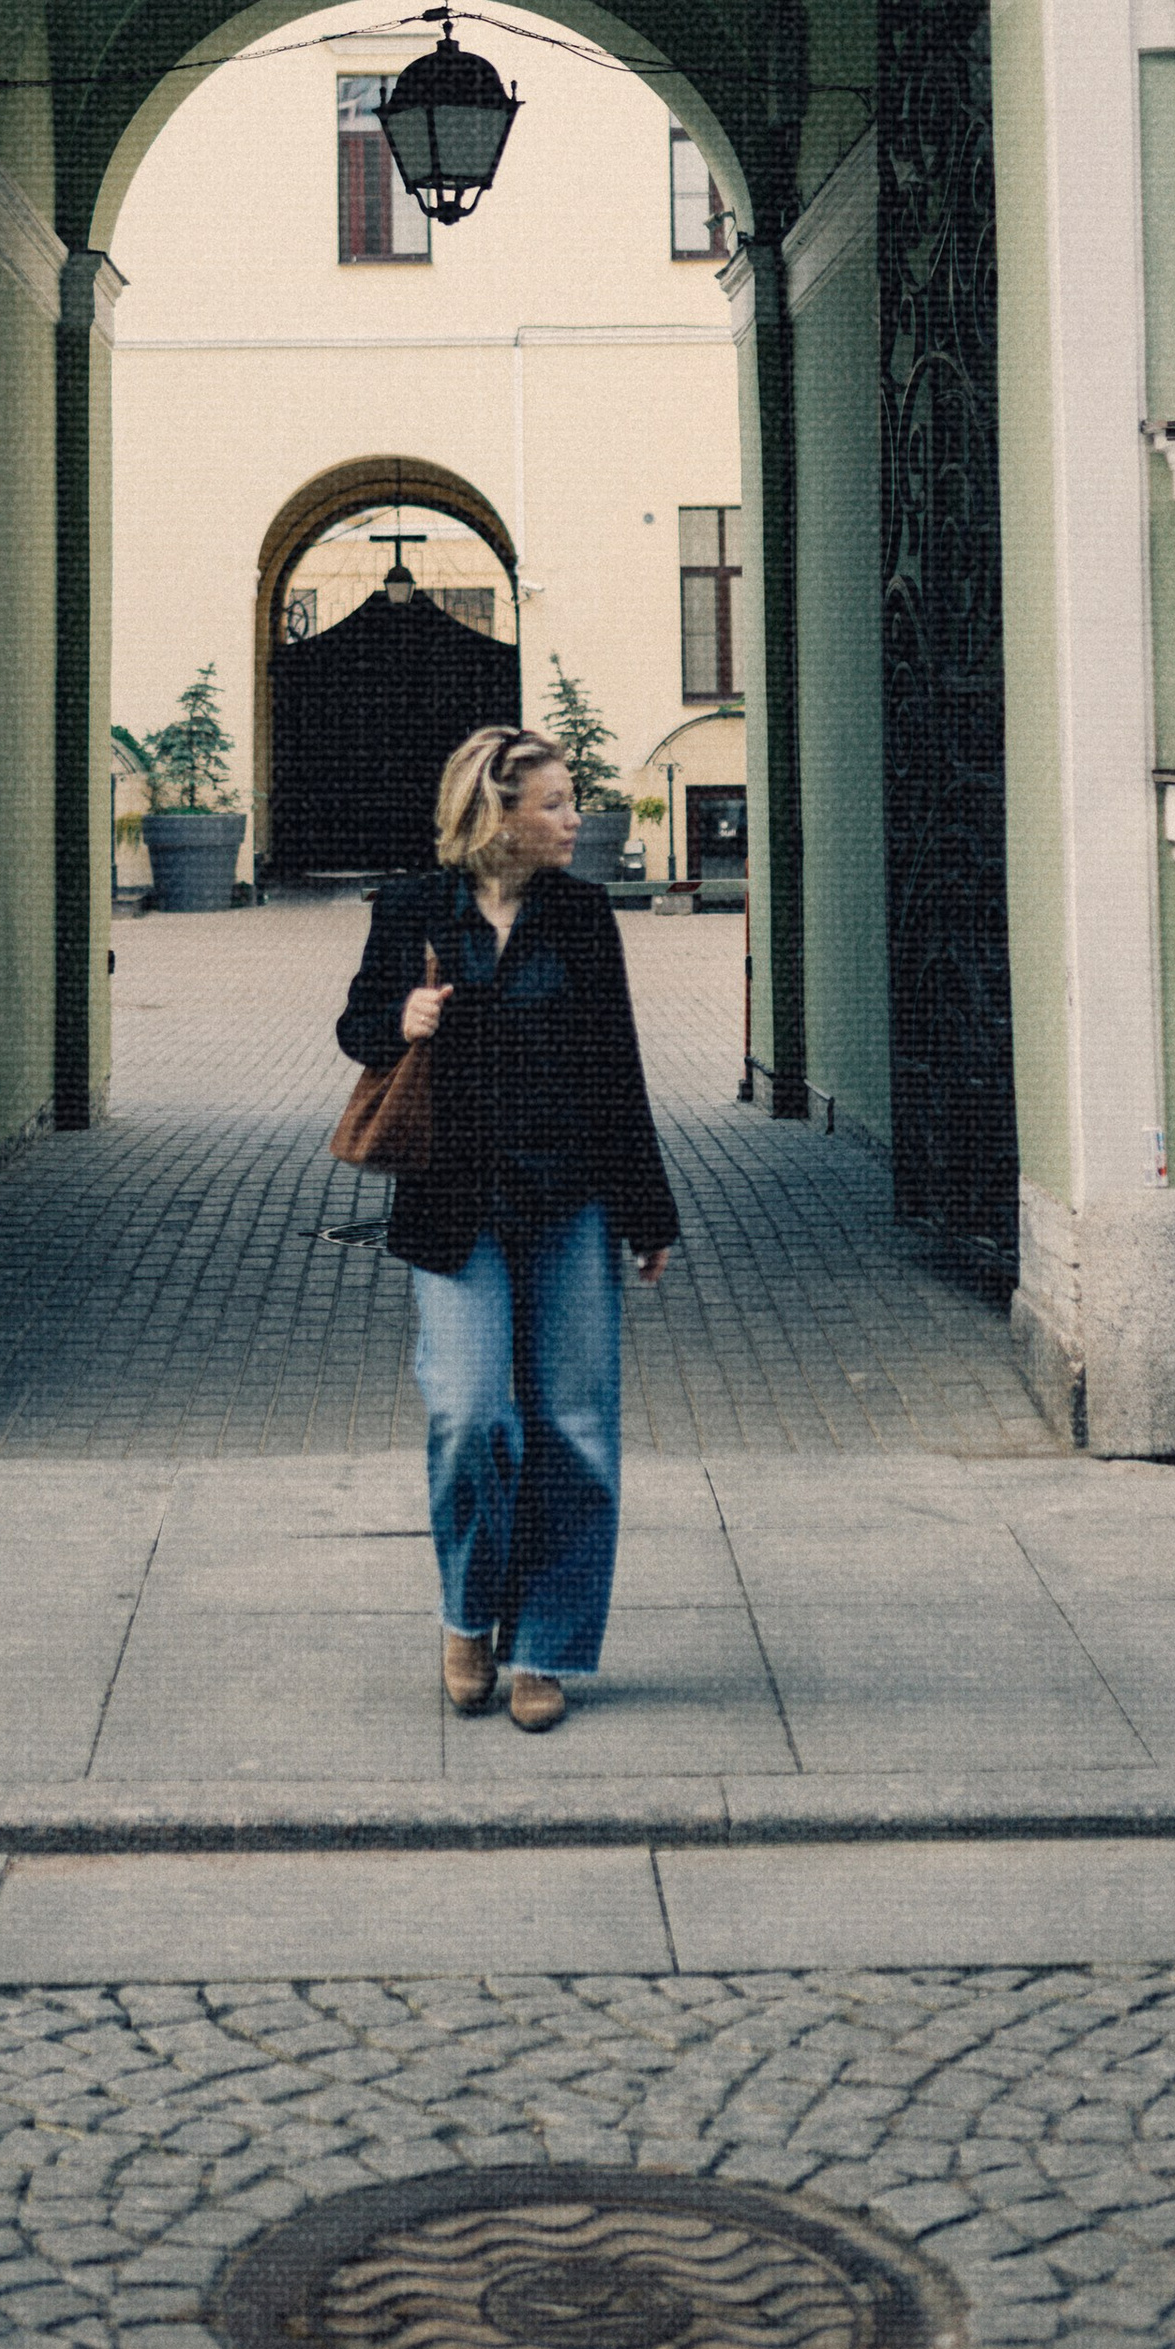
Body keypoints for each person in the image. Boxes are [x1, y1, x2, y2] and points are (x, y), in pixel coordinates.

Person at [337, 723, 680, 1732]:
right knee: (472, 1415)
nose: (576, 817)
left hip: (568, 1198)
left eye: (572, 801)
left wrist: (645, 1212)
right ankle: (466, 1613)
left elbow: (618, 1070)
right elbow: (355, 1026)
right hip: (453, 1204)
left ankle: (544, 1646)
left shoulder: (581, 916)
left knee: (573, 1430)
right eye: (555, 804)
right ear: (497, 814)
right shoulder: (412, 907)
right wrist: (398, 1017)